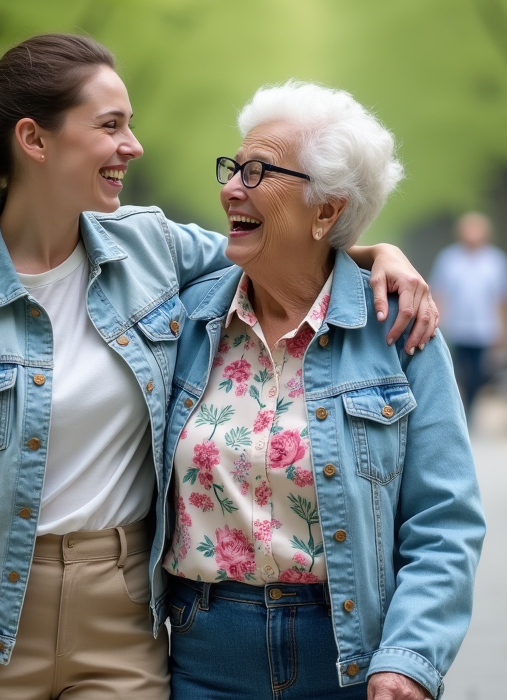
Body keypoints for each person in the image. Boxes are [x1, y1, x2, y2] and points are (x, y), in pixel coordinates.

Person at [0, 34, 439, 700]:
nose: (133, 145)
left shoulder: (151, 248)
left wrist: (378, 254)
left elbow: (281, 248)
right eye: (110, 126)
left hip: (123, 614)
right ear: (34, 139)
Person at [155, 81, 486, 699]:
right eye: (233, 167)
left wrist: (410, 656)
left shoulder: (398, 331)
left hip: (350, 660)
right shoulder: (187, 320)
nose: (231, 188)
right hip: (203, 654)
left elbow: (445, 519)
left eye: (258, 172)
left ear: (327, 211)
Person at [430, 212, 507, 422]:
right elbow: (439, 292)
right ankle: (457, 406)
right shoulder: (449, 259)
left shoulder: (496, 261)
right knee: (456, 370)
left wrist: (505, 330)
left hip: (484, 328)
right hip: (455, 326)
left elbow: (504, 298)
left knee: (477, 373)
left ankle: (470, 409)